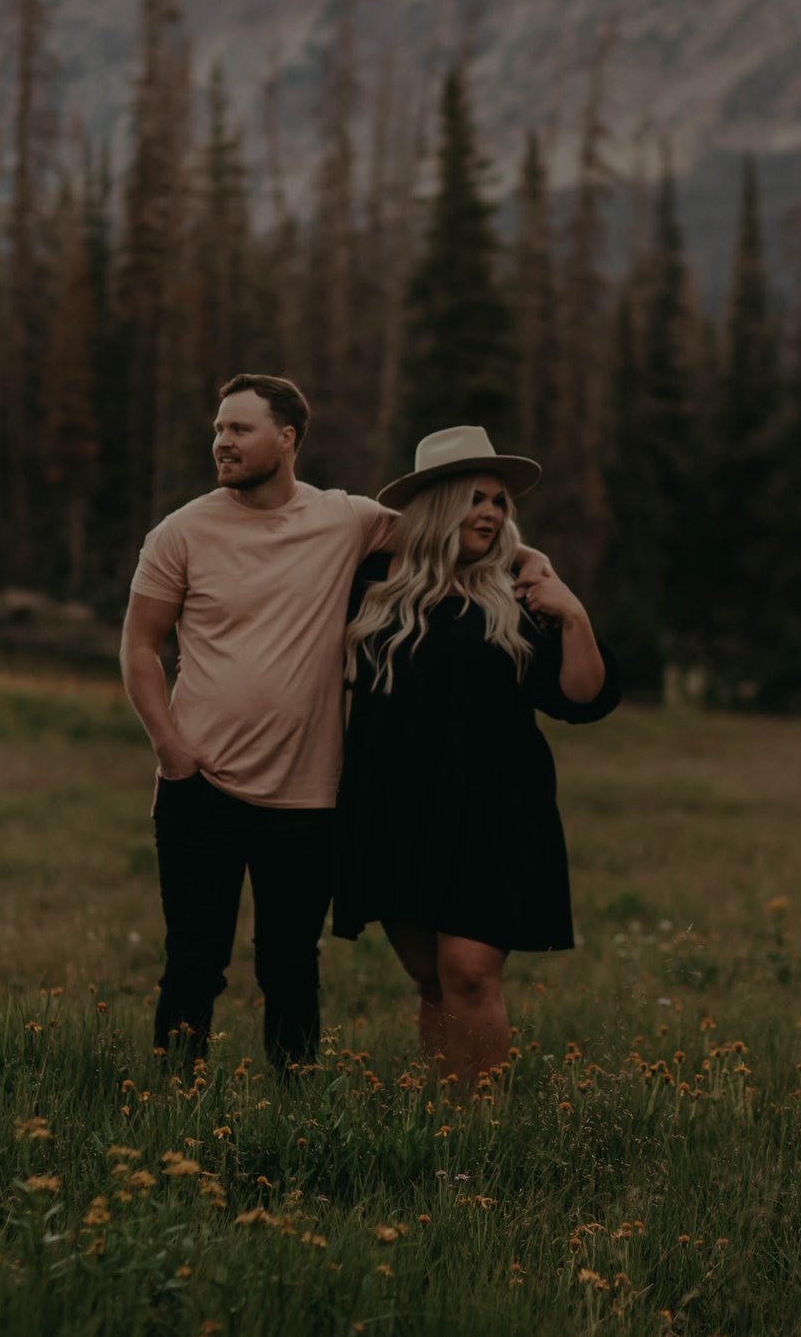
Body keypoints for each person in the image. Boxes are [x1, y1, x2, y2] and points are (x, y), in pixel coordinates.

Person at [120, 378, 554, 1074]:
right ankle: (169, 1098)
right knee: (194, 960)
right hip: (198, 783)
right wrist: (170, 749)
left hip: (309, 795)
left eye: (240, 428)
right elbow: (140, 646)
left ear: (287, 439)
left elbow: (450, 533)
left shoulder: (347, 520)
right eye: (218, 428)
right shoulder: (180, 531)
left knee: (291, 965)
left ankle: (294, 1098)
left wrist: (533, 561)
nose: (222, 441)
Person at [333, 426, 619, 1095]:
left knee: (469, 971)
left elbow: (584, 698)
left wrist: (572, 615)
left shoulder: (519, 595)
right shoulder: (371, 587)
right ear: (435, 506)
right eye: (474, 498)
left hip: (496, 811)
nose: (491, 512)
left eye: (498, 501)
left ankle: (481, 1130)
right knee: (430, 973)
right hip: (395, 807)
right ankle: (444, 1114)